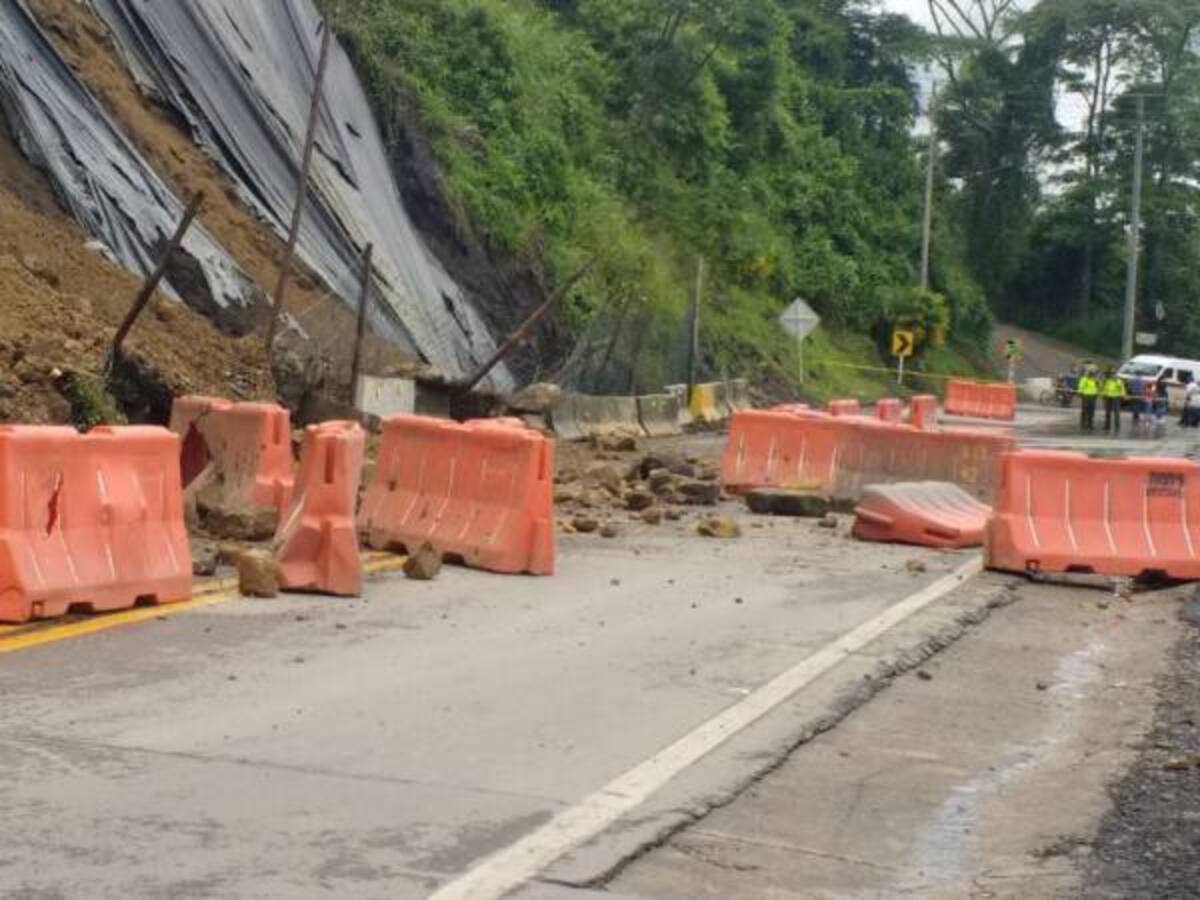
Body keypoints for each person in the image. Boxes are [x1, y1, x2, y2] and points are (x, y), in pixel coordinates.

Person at [1101, 368, 1125, 434]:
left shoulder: (1118, 381)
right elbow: (1105, 388)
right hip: (1108, 397)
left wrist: (1123, 395)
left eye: (1113, 374)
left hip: (1116, 398)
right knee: (1107, 412)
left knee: (1116, 413)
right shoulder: (1107, 381)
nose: (1112, 375)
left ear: (1115, 374)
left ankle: (1117, 426)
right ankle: (1107, 425)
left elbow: (1122, 389)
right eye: (1111, 374)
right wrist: (1103, 395)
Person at [1078, 366, 1099, 431]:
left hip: (1093, 396)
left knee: (1091, 411)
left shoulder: (1095, 380)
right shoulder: (1084, 379)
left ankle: (1090, 424)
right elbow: (1081, 386)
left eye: (1094, 372)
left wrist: (1097, 392)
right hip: (1086, 396)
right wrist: (1080, 393)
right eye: (1092, 372)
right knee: (1084, 410)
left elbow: (1098, 387)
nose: (1093, 374)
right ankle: (1083, 423)